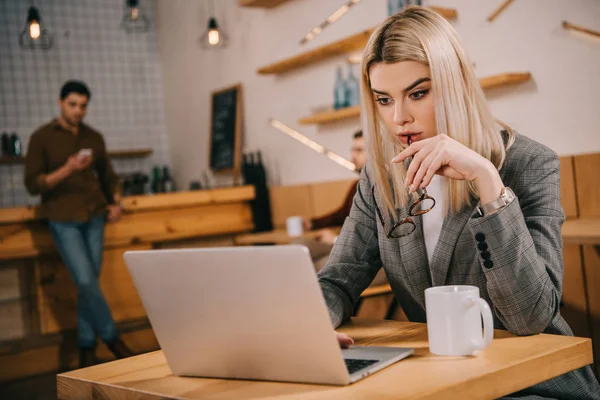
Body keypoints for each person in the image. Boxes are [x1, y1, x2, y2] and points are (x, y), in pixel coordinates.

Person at [317, 7, 600, 399]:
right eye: (384, 99)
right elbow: (337, 280)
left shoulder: (528, 164)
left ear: (455, 84)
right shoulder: (382, 176)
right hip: (445, 382)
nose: (399, 117)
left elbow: (531, 317)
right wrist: (309, 329)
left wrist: (488, 183)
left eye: (418, 93)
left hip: (536, 386)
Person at [24, 80, 133, 368]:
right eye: (72, 105)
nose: (78, 111)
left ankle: (86, 347)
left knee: (89, 284)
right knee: (85, 280)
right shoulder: (41, 138)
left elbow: (108, 176)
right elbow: (33, 184)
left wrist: (117, 202)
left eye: (83, 106)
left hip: (95, 215)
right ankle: (112, 339)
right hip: (63, 219)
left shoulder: (93, 137)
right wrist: (67, 169)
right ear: (60, 102)